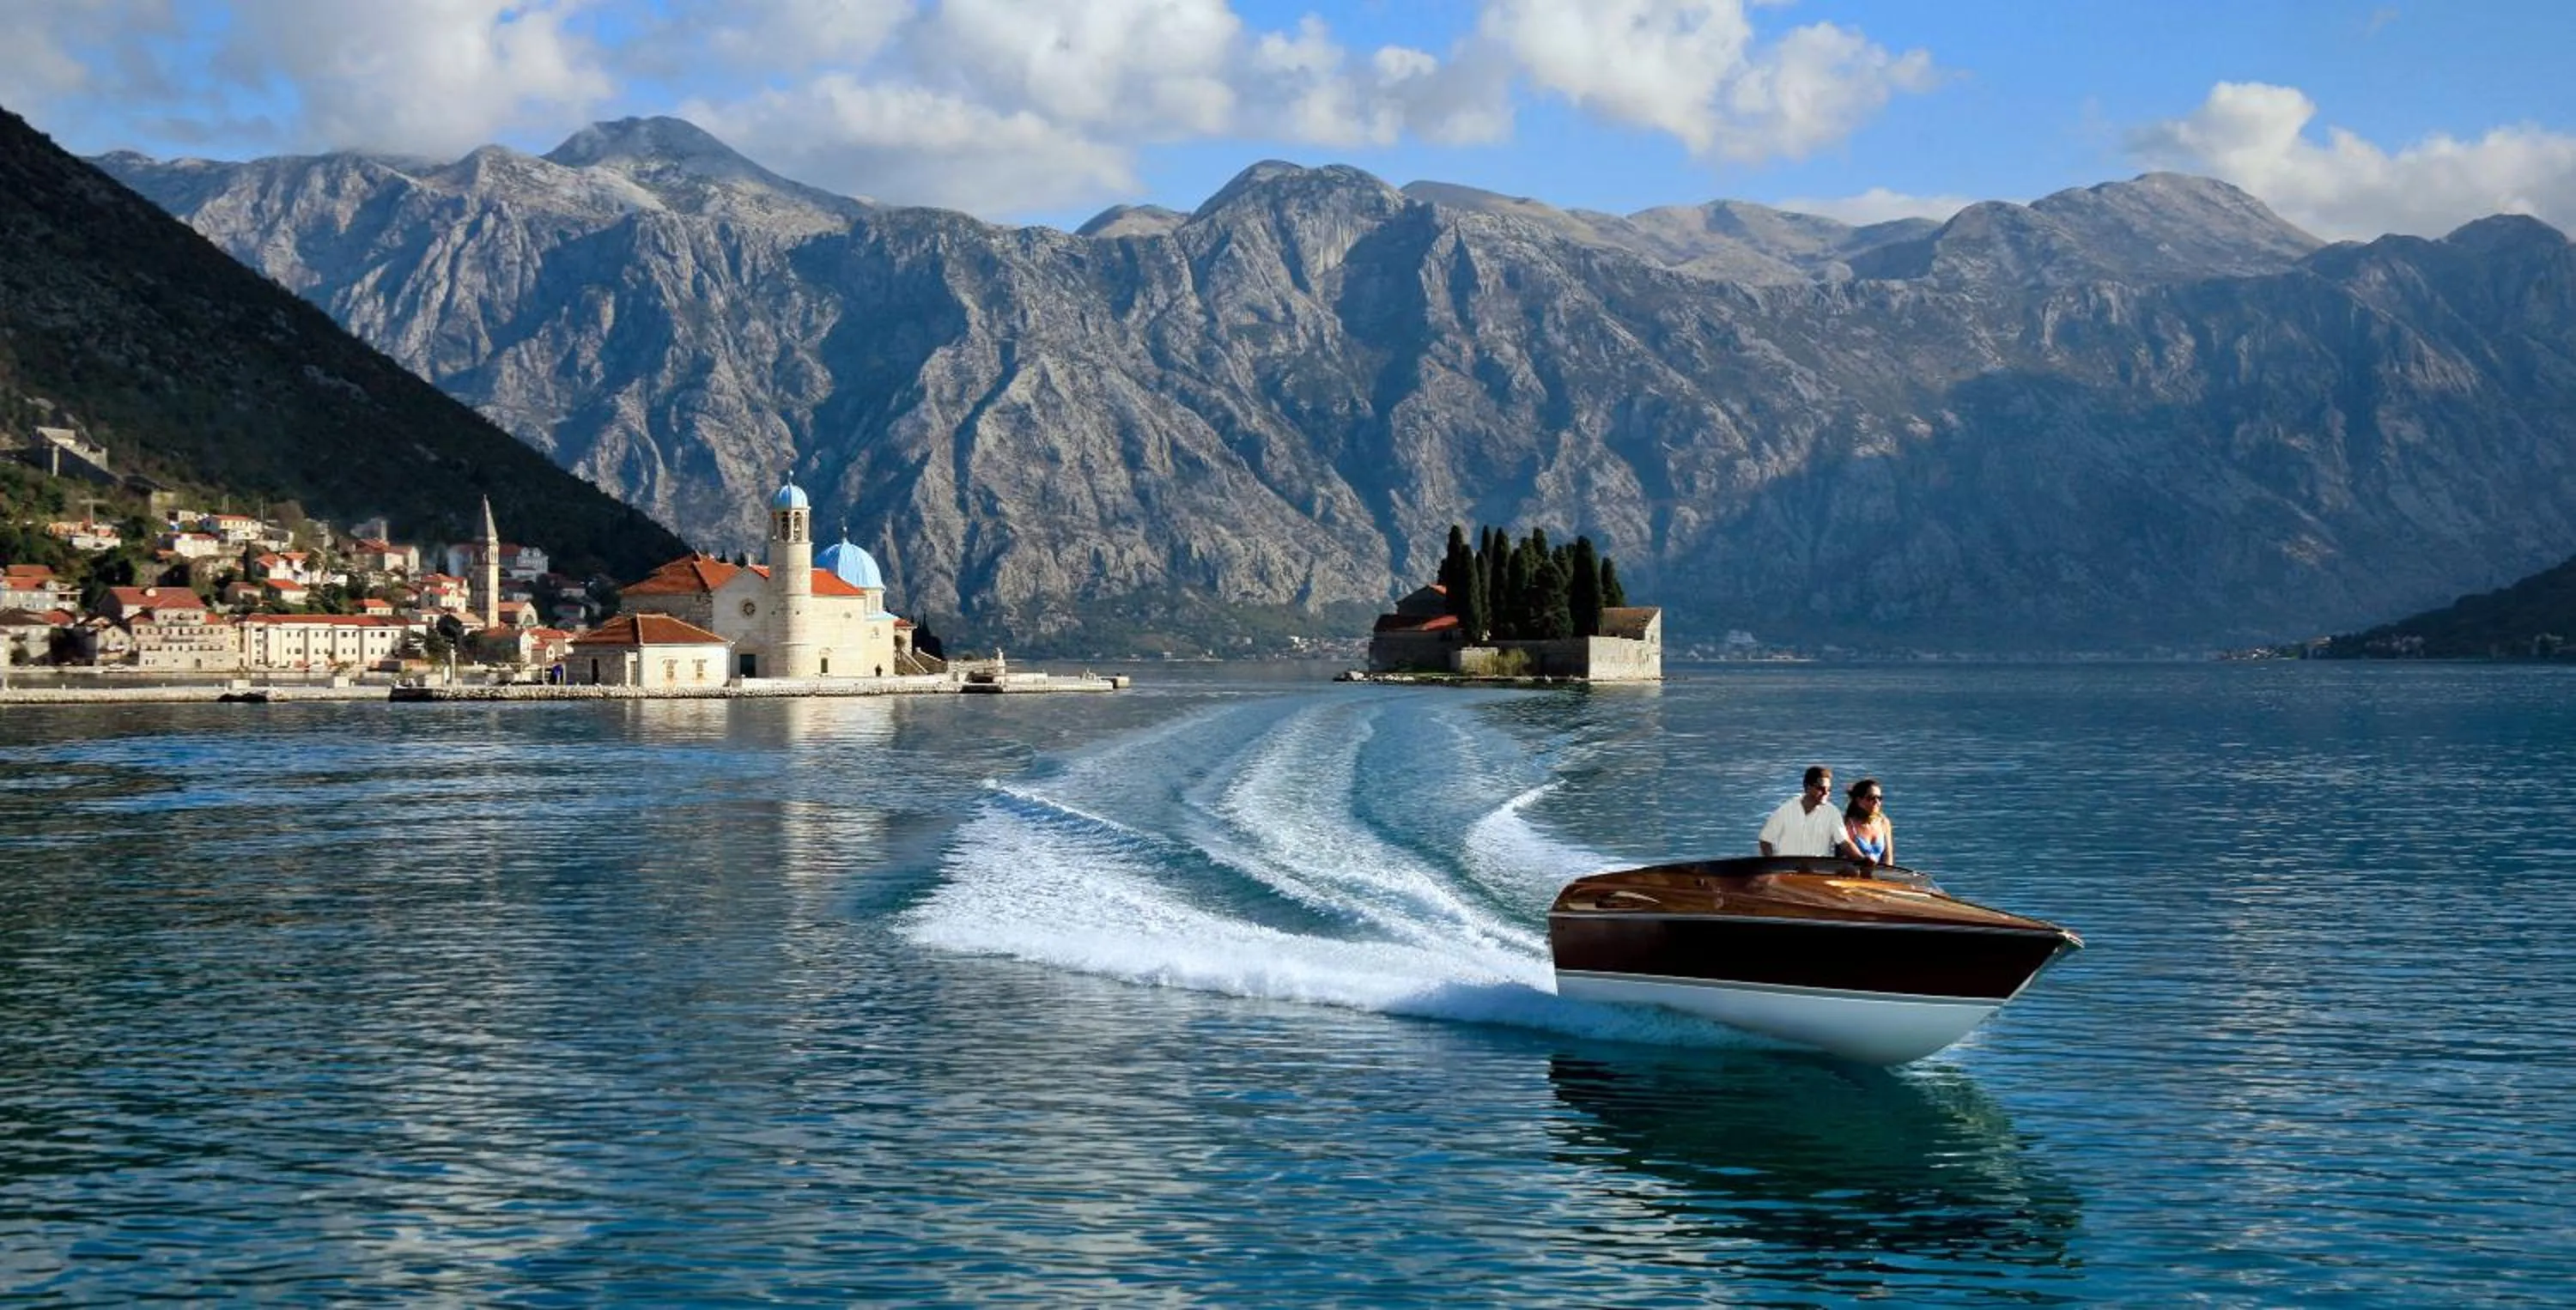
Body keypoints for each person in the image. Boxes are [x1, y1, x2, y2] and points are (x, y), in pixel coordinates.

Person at [1758, 765, 1862, 860]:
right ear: (1807, 787)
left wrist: (1863, 860)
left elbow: (1844, 843)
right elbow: (1765, 840)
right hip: (1787, 871)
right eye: (1821, 788)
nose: (1826, 793)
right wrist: (1771, 864)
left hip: (1816, 871)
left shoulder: (1832, 813)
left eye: (1829, 789)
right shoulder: (1786, 810)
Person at [1843, 778, 1894, 867]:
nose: (1876, 802)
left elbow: (1888, 857)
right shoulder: (1847, 823)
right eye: (1871, 798)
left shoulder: (1884, 822)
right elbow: (1842, 856)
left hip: (1876, 874)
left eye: (1879, 798)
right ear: (1859, 800)